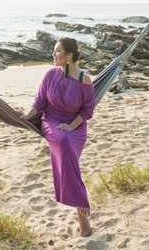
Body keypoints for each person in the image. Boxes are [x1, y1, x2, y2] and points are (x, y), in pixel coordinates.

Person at [20, 37, 95, 236]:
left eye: (57, 50)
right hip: (52, 121)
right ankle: (82, 207)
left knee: (68, 151)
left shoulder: (85, 80)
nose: (53, 54)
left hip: (76, 126)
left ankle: (80, 209)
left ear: (69, 55)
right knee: (63, 142)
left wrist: (71, 126)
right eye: (54, 50)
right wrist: (27, 115)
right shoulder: (50, 75)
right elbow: (40, 101)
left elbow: (88, 109)